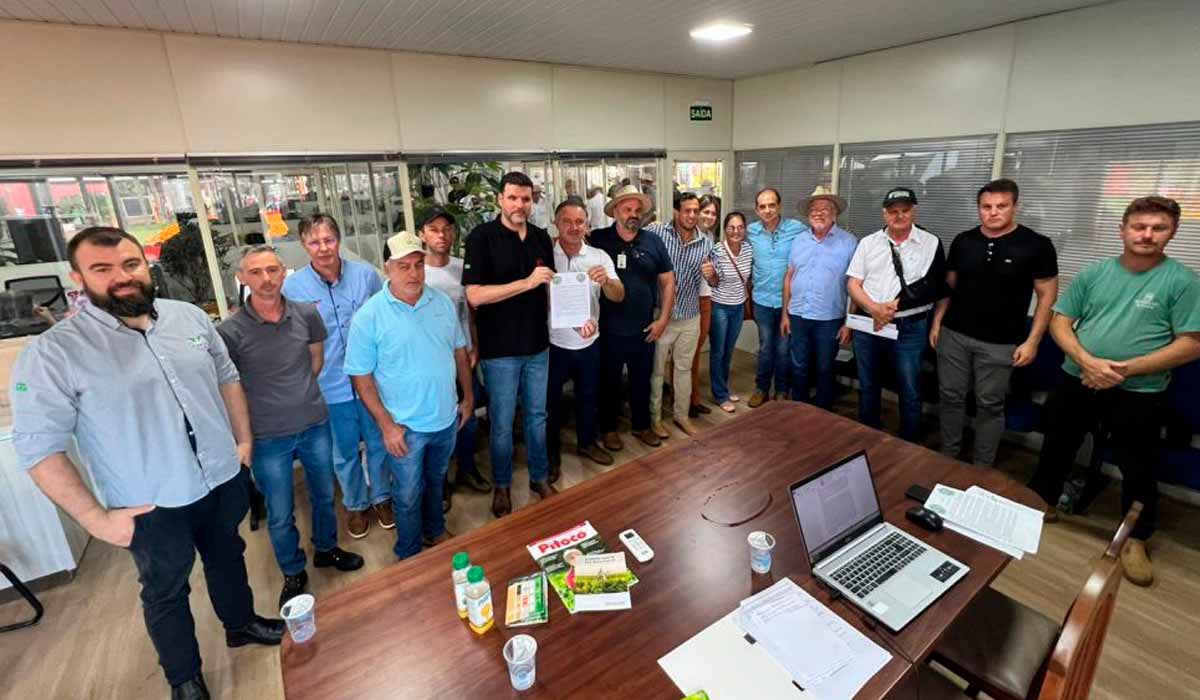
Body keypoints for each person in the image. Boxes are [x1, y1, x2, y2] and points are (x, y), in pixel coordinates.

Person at [12, 227, 283, 700]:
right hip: (150, 503)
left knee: (228, 557)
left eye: (131, 264)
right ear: (78, 278)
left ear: (146, 265)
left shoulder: (189, 318)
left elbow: (228, 378)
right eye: (103, 269)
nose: (122, 277)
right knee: (165, 590)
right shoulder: (55, 352)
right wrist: (95, 520)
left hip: (219, 477)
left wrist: (243, 442)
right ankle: (185, 679)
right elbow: (38, 448)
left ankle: (240, 625)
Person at [1027, 196, 1200, 586]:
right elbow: (1061, 322)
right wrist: (1088, 362)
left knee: (1138, 464)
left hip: (1140, 389)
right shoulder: (1094, 274)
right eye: (1139, 226)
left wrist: (1121, 370)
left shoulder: (1182, 281)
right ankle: (1041, 504)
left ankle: (1135, 537)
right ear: (1123, 230)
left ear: (1172, 233)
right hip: (1078, 377)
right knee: (1057, 444)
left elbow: (1192, 343)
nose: (1147, 235)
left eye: (1158, 228)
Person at [217, 245, 364, 606]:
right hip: (267, 437)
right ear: (242, 278)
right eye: (256, 272)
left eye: (272, 270)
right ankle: (293, 570)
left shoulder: (306, 314)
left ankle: (327, 549)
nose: (266, 279)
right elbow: (228, 386)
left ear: (284, 273)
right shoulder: (230, 332)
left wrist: (298, 394)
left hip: (314, 423)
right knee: (280, 512)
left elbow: (316, 360)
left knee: (325, 496)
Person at [345, 232, 474, 558]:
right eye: (404, 266)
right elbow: (361, 377)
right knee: (406, 495)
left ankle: (434, 531)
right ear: (387, 269)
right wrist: (387, 426)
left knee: (436, 481)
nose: (414, 273)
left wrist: (468, 398)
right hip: (405, 428)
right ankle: (409, 552)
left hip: (445, 419)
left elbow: (460, 352)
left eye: (418, 265)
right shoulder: (369, 316)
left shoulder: (441, 302)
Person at [930, 179, 1059, 467]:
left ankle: (982, 467)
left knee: (989, 405)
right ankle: (948, 457)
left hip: (1000, 343)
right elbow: (948, 287)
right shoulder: (964, 241)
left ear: (1015, 206)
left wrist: (1033, 340)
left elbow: (1047, 296)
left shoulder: (1037, 245)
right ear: (979, 208)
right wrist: (938, 322)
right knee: (950, 398)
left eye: (1001, 206)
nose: (993, 212)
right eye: (986, 207)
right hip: (955, 335)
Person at [282, 214, 389, 539]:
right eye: (314, 242)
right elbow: (293, 339)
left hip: (372, 381)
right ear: (304, 245)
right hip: (331, 385)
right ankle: (356, 505)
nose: (323, 248)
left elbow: (382, 322)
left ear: (339, 240)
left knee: (378, 443)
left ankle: (383, 497)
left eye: (328, 240)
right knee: (343, 451)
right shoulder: (294, 287)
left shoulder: (366, 276)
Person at [463, 171, 557, 518]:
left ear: (532, 201)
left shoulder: (540, 238)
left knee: (537, 417)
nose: (520, 205)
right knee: (502, 424)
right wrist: (526, 283)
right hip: (499, 351)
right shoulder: (481, 238)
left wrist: (575, 318)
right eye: (513, 198)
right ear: (500, 200)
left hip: (537, 346)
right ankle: (502, 486)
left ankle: (539, 477)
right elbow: (474, 295)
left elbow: (550, 288)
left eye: (526, 199)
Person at [846, 187, 948, 441]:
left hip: (910, 328)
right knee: (868, 384)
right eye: (893, 212)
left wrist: (892, 308)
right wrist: (874, 309)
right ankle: (868, 434)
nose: (899, 216)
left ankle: (908, 442)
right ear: (884, 214)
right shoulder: (868, 243)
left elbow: (934, 286)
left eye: (905, 211)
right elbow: (853, 284)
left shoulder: (931, 242)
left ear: (914, 211)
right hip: (869, 325)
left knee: (909, 388)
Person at [591, 184, 674, 451]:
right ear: (616, 211)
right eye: (627, 209)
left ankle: (641, 426)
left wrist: (662, 320)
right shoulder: (598, 239)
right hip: (608, 329)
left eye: (638, 210)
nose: (633, 214)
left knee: (642, 380)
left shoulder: (653, 241)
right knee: (609, 382)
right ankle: (609, 429)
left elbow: (668, 282)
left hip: (644, 328)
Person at [418, 208, 492, 507]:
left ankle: (467, 468)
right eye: (434, 229)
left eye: (447, 229)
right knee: (437, 422)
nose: (441, 235)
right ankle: (439, 481)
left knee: (468, 415)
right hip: (428, 362)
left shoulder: (463, 268)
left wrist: (475, 347)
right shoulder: (415, 270)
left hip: (461, 357)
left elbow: (470, 314)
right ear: (422, 234)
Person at [547, 199, 625, 476]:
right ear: (556, 223)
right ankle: (551, 454)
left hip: (589, 342)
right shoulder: (544, 255)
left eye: (579, 222)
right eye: (566, 221)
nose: (573, 227)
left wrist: (608, 282)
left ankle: (587, 443)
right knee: (551, 403)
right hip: (553, 344)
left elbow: (619, 295)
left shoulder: (599, 256)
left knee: (589, 397)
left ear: (587, 225)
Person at [646, 192, 716, 436]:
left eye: (696, 211)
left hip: (691, 316)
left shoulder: (706, 242)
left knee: (684, 369)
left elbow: (715, 281)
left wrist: (712, 276)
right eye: (687, 210)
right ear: (677, 212)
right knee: (655, 372)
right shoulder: (657, 234)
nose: (692, 215)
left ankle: (681, 416)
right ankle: (654, 419)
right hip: (661, 317)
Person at [781, 186, 856, 409]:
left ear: (835, 213)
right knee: (799, 365)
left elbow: (855, 285)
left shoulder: (849, 242)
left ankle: (822, 414)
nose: (819, 213)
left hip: (830, 318)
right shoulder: (799, 240)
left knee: (825, 368)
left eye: (825, 208)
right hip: (799, 315)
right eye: (814, 209)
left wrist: (849, 323)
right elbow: (789, 278)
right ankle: (799, 409)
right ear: (808, 214)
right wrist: (785, 314)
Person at [747, 187, 809, 406]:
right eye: (762, 206)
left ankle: (782, 390)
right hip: (761, 301)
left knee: (784, 349)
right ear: (756, 210)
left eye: (771, 205)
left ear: (779, 206)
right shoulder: (750, 231)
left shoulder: (798, 229)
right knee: (765, 347)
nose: (767, 210)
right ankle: (761, 388)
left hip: (788, 302)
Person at [708, 211, 754, 413]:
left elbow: (748, 279)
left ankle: (724, 388)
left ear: (745, 229)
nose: (736, 231)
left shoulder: (748, 250)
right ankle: (719, 395)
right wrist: (711, 276)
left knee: (728, 351)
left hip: (738, 306)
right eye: (731, 228)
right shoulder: (717, 250)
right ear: (725, 230)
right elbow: (712, 282)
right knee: (717, 352)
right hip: (719, 307)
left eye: (740, 227)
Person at [688, 194, 721, 418]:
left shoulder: (710, 238)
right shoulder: (686, 236)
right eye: (705, 211)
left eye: (713, 213)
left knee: (695, 352)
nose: (709, 216)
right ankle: (688, 399)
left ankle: (691, 397)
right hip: (691, 300)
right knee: (688, 353)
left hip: (707, 298)